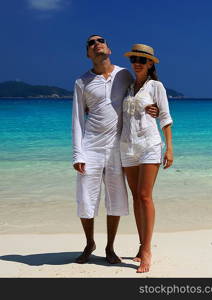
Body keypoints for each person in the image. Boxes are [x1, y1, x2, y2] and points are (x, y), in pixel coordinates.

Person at [72, 35, 158, 264]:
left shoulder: (124, 75)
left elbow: (138, 99)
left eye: (101, 40)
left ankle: (110, 247)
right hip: (90, 146)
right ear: (88, 54)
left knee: (116, 199)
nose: (96, 43)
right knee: (85, 199)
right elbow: (78, 119)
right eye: (91, 43)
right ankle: (90, 243)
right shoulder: (82, 82)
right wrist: (77, 153)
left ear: (108, 49)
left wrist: (153, 109)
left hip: (117, 147)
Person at [120, 44, 173, 273]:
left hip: (149, 145)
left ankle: (148, 250)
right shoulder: (128, 88)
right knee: (135, 197)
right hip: (127, 147)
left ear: (150, 63)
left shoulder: (156, 86)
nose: (137, 63)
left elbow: (165, 117)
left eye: (142, 59)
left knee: (145, 196)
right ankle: (141, 246)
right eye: (134, 59)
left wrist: (169, 148)